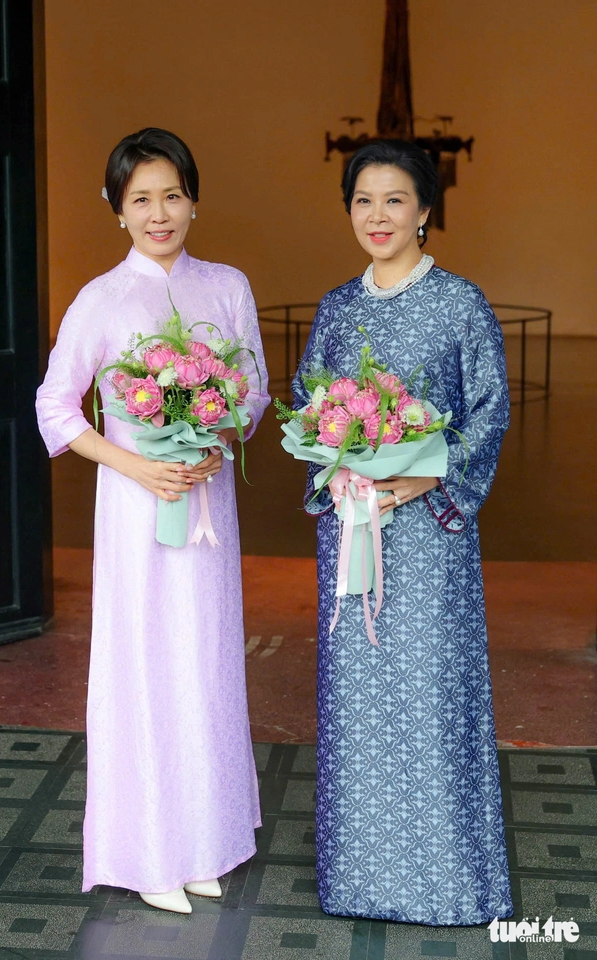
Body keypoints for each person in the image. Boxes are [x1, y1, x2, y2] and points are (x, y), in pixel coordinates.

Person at [36, 127, 269, 914]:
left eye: (173, 195)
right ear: (116, 209)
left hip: (207, 504)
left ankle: (207, 841)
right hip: (138, 512)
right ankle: (147, 853)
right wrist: (137, 464)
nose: (159, 213)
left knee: (203, 663)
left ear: (194, 201)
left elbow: (256, 388)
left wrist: (220, 435)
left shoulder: (227, 286)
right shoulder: (101, 298)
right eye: (141, 199)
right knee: (144, 668)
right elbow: (55, 407)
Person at [292, 139, 513, 925]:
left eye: (394, 200)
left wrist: (430, 476)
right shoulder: (337, 308)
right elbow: (306, 405)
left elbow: (489, 410)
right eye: (362, 200)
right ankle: (362, 882)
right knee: (358, 694)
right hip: (354, 527)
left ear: (426, 209)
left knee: (429, 690)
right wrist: (336, 463)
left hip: (429, 533)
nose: (377, 215)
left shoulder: (461, 303)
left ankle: (448, 884)